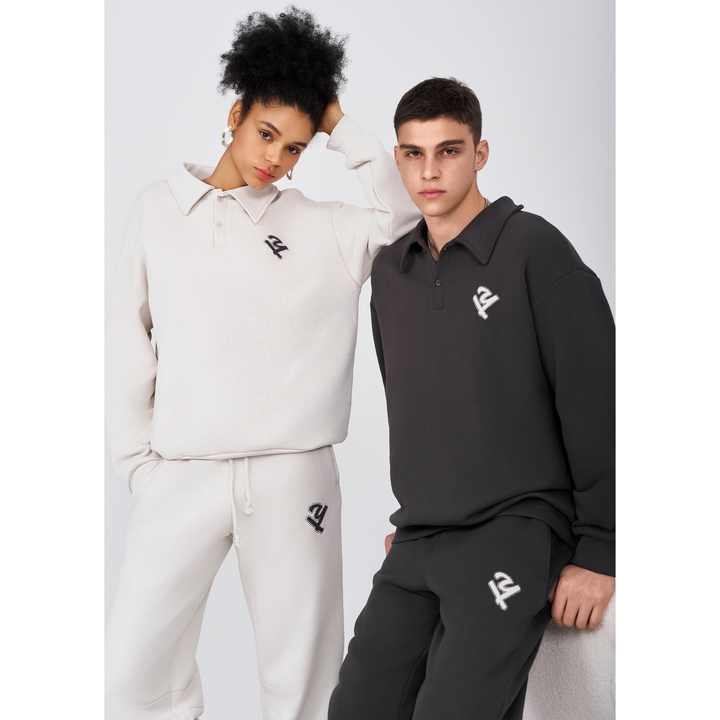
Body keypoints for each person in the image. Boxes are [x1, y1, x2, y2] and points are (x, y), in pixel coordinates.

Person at [106, 8, 418, 720]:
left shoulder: (323, 227)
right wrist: (138, 469)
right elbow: (127, 342)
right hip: (181, 474)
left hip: (293, 475)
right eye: (266, 133)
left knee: (301, 677)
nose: (275, 158)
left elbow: (404, 217)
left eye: (296, 146)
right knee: (132, 676)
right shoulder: (158, 211)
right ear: (235, 115)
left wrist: (339, 124)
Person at [328, 77, 615, 720]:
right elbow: (411, 400)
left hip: (515, 533)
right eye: (413, 153)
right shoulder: (392, 273)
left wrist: (601, 549)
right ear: (398, 158)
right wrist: (423, 506)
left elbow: (599, 402)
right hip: (420, 538)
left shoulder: (535, 250)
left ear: (480, 154)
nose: (428, 171)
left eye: (449, 151)